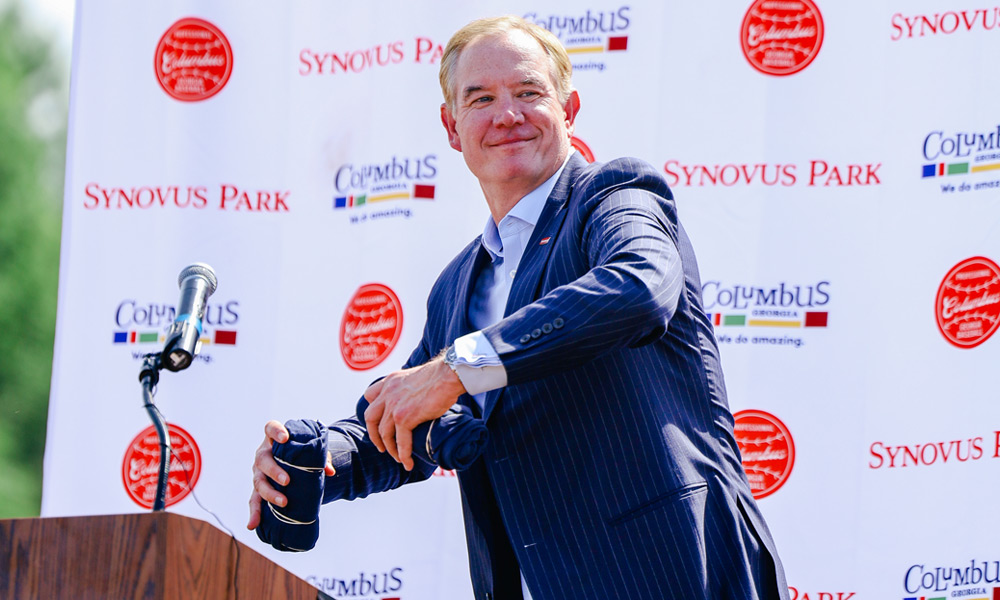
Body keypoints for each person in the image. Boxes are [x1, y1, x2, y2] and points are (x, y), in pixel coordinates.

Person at [249, 15, 789, 600]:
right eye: (480, 99)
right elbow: (405, 421)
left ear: (568, 108)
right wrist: (306, 461)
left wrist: (458, 369)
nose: (507, 115)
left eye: (528, 93)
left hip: (673, 570)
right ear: (451, 128)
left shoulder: (612, 195)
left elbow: (640, 288)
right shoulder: (456, 284)